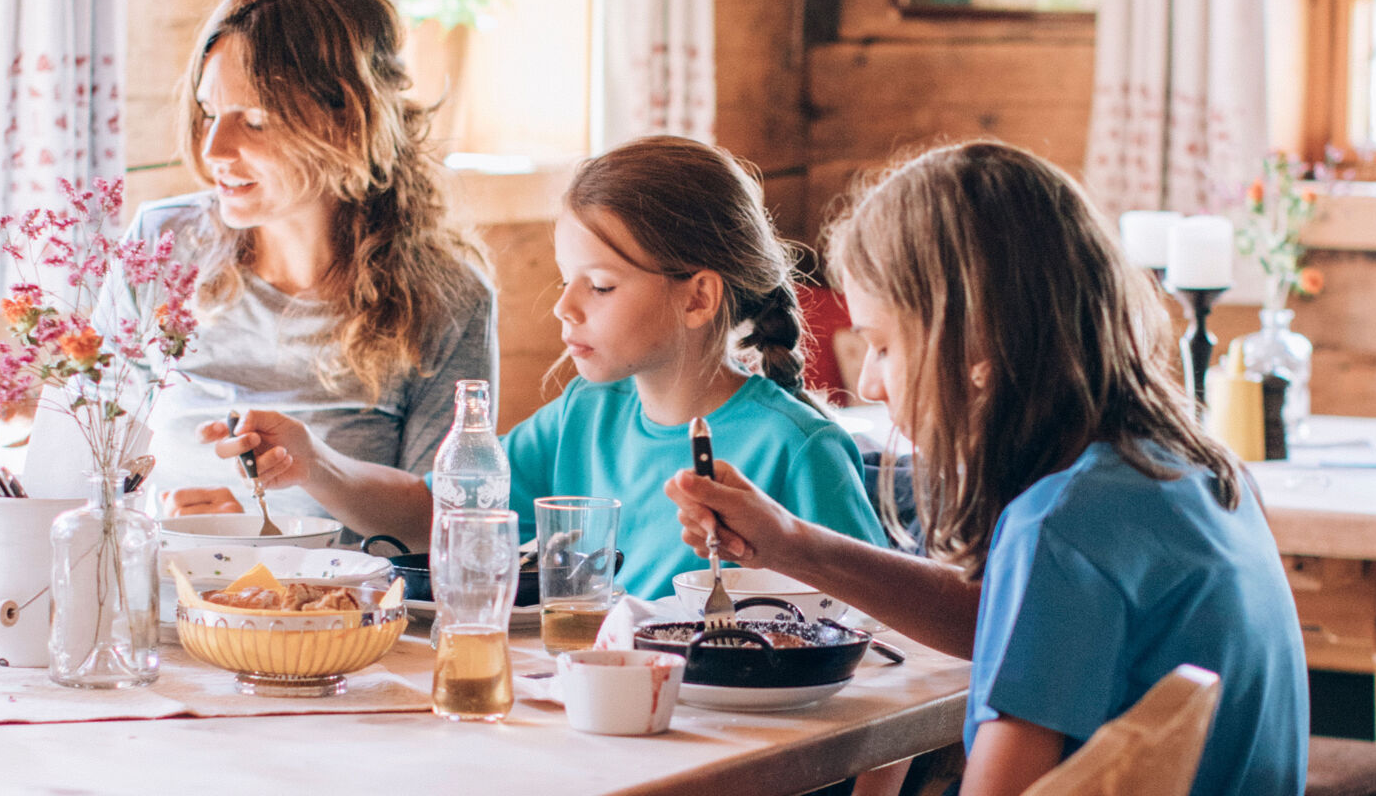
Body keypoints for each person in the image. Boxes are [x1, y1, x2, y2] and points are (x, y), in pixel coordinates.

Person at [641, 141, 1308, 796]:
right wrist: (792, 546)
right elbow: (1015, 624)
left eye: (885, 346)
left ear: (979, 347)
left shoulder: (1060, 529)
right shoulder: (1197, 475)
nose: (869, 382)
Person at [215, 136, 888, 600]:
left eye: (598, 285)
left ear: (699, 297)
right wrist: (314, 462)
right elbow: (440, 515)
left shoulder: (797, 449)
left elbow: (894, 645)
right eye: (567, 280)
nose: (563, 307)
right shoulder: (585, 416)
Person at [0, 0, 496, 526]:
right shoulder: (162, 247)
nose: (214, 147)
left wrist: (278, 510)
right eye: (211, 112)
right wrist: (29, 419)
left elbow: (448, 526)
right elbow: (95, 463)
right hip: (166, 597)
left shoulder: (449, 301)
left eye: (256, 120)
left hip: (341, 611)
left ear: (348, 121)